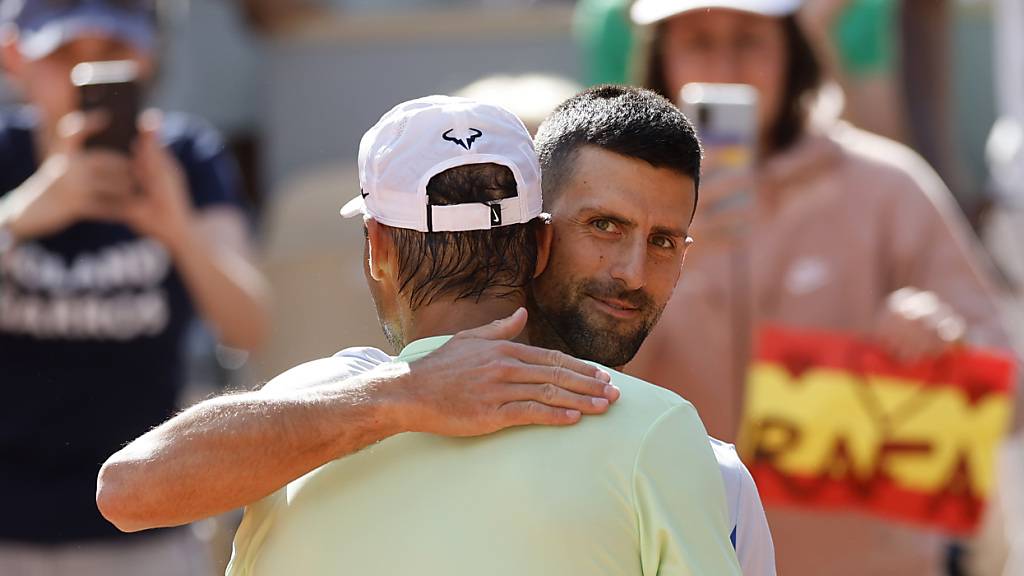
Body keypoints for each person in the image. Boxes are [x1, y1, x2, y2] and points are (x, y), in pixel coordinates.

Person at [223, 93, 740, 574]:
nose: (631, 272)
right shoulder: (663, 432)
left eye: (664, 241)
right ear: (542, 242)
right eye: (604, 225)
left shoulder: (274, 431)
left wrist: (393, 397)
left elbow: (166, 480)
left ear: (376, 247)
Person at [625, 1, 1016, 575]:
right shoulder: (617, 204)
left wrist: (944, 344)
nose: (725, 67)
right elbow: (585, 384)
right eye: (699, 43)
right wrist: (666, 255)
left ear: (793, 49)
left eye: (749, 41)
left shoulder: (888, 187)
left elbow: (1009, 397)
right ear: (661, 60)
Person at [0, 0, 271, 572]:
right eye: (64, 55)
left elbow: (248, 326)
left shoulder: (184, 158)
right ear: (15, 57)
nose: (85, 75)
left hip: (145, 515)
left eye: (111, 53)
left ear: (147, 56)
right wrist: (23, 214)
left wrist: (177, 228)